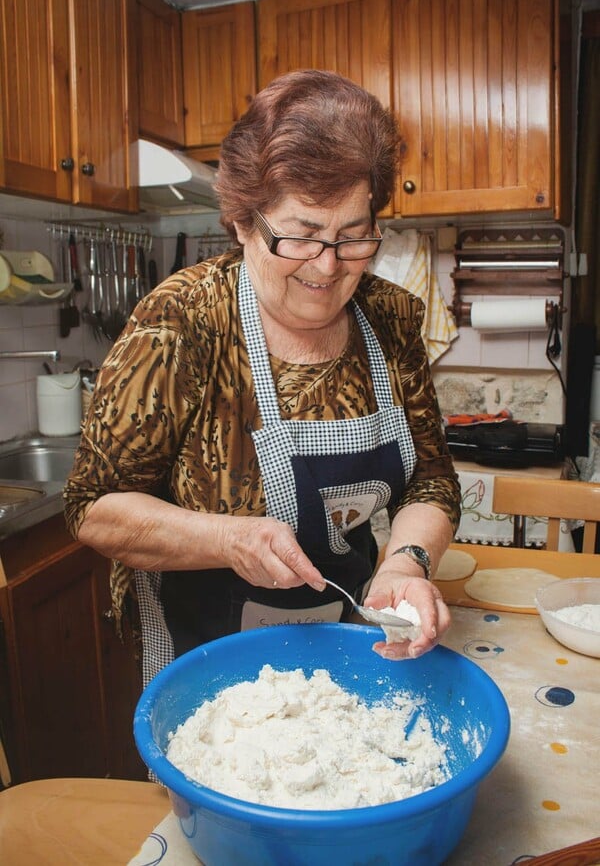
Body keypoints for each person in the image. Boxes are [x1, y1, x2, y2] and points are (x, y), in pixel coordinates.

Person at [64, 69, 462, 687]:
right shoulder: (183, 320)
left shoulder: (391, 316)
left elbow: (430, 479)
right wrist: (228, 538)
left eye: (353, 238)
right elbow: (92, 508)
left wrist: (407, 564)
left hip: (350, 638)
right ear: (244, 222)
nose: (327, 266)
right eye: (301, 237)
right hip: (204, 658)